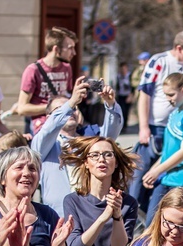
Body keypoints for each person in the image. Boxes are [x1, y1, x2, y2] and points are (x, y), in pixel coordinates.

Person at [131, 31, 183, 213]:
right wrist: (144, 127)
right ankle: (136, 217)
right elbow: (144, 94)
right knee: (140, 179)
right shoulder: (159, 62)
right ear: (179, 48)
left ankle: (158, 216)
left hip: (180, 127)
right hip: (156, 129)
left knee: (164, 177)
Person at [32, 76, 122, 217]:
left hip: (91, 212)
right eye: (60, 109)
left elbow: (110, 134)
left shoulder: (89, 138)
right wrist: (71, 102)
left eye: (73, 108)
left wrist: (110, 104)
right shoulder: (45, 143)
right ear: (49, 117)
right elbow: (48, 130)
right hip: (58, 216)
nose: (70, 111)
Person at [141, 73, 183, 227]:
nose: (168, 99)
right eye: (166, 95)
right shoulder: (175, 113)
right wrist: (153, 171)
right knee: (152, 225)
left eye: (171, 94)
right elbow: (168, 152)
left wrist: (157, 171)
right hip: (167, 177)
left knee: (179, 229)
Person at [16, 27, 77, 134]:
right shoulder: (33, 70)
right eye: (70, 48)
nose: (74, 53)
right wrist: (55, 108)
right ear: (56, 49)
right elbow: (22, 109)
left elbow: (66, 95)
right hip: (41, 128)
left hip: (63, 125)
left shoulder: (67, 68)